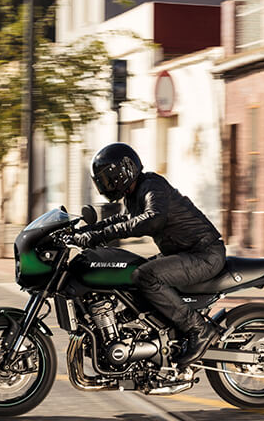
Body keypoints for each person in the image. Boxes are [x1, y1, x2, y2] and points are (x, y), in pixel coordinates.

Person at [69, 143, 224, 366]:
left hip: (204, 254)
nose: (104, 185)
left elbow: (153, 217)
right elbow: (121, 220)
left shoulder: (152, 185)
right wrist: (81, 232)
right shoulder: (133, 194)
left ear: (123, 171)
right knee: (131, 275)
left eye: (106, 178)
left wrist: (97, 236)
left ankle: (199, 330)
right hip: (185, 253)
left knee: (146, 276)